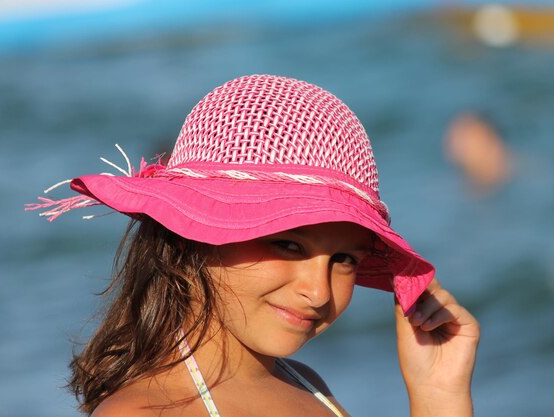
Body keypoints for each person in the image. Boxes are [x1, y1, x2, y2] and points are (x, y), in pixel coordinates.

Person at [27, 75, 480, 417]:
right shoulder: (145, 413)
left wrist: (438, 395)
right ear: (191, 237)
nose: (319, 292)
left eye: (343, 259)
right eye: (288, 244)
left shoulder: (309, 389)